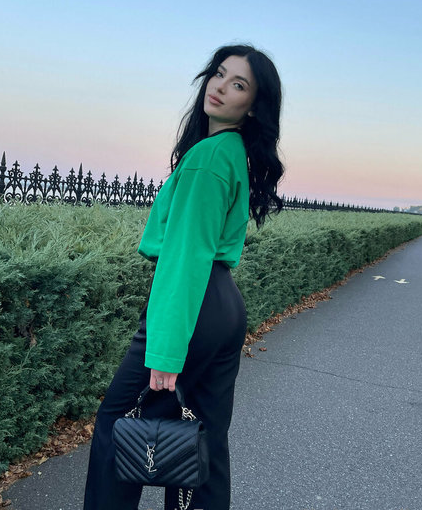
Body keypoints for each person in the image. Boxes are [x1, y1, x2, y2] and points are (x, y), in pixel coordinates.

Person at [83, 43, 285, 510]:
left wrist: (167, 352)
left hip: (193, 303)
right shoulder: (231, 152)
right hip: (221, 305)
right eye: (219, 73)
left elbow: (185, 257)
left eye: (239, 84)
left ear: (254, 106)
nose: (221, 86)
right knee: (204, 438)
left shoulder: (209, 158)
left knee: (118, 425)